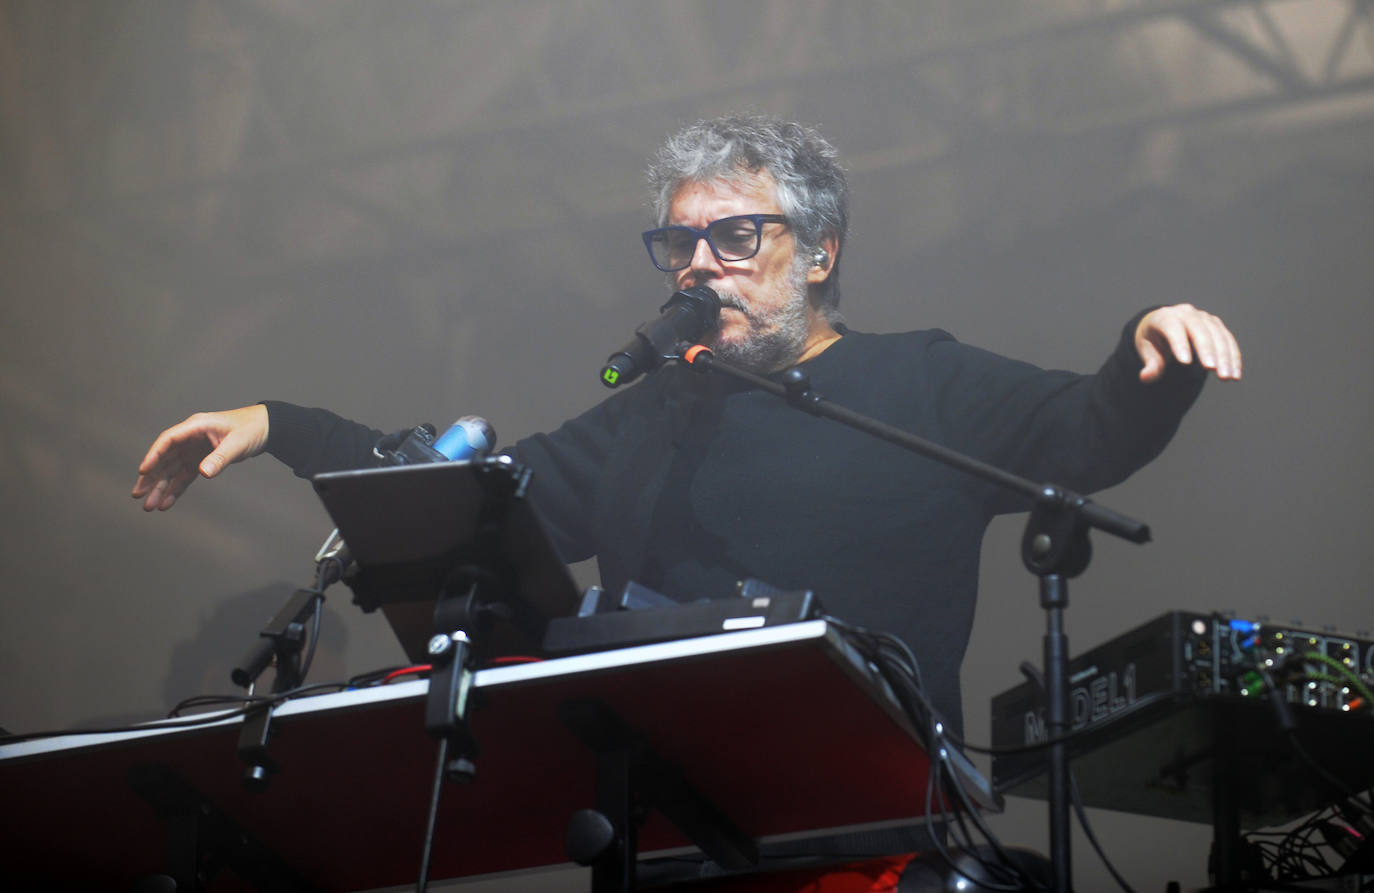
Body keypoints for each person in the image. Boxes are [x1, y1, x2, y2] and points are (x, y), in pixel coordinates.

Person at [132, 114, 1241, 890]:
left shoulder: (922, 380)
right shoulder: (652, 413)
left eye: (736, 236)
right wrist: (284, 424)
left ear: (821, 249)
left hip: (874, 840)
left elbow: (1087, 435)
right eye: (681, 241)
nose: (700, 264)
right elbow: (472, 502)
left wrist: (1156, 350)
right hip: (664, 842)